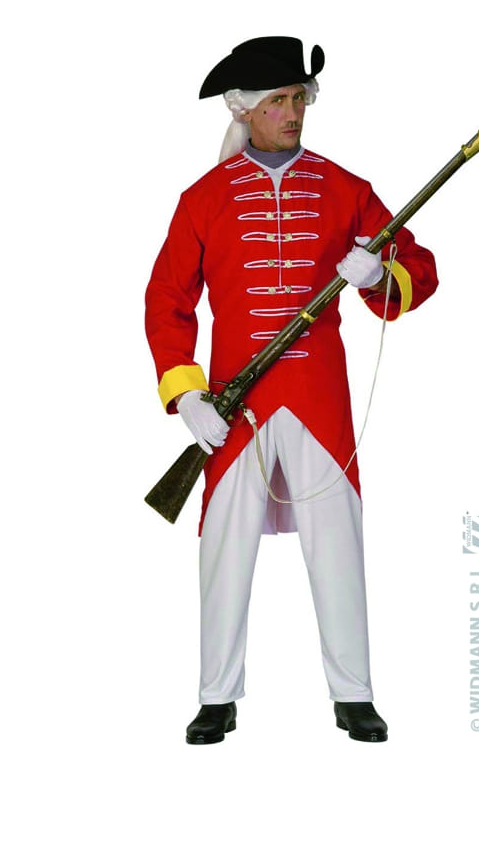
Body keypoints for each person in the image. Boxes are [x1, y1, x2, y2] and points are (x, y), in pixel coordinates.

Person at [145, 37, 438, 744]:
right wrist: (188, 395)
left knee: (337, 540)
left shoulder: (345, 188)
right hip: (233, 403)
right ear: (244, 110)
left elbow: (419, 267)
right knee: (223, 546)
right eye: (278, 100)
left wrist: (381, 275)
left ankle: (354, 694)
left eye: (299, 97)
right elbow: (167, 301)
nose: (293, 112)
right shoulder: (203, 199)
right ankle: (216, 696)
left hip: (318, 393)